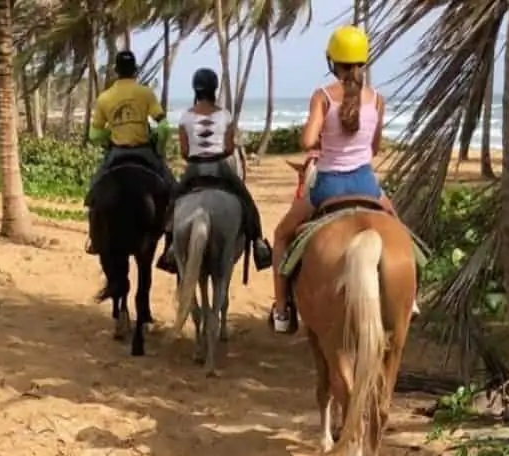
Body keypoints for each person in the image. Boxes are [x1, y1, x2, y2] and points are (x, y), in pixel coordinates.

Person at [268, 25, 413, 334]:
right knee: (400, 231)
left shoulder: (322, 96)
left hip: (328, 185)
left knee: (281, 235)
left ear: (332, 61)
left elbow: (308, 140)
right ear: (364, 60)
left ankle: (281, 310)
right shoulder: (376, 100)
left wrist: (320, 141)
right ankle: (410, 299)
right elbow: (373, 148)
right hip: (366, 184)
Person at [156, 68, 272, 275]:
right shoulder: (224, 115)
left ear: (196, 89)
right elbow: (228, 148)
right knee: (246, 199)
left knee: (174, 200)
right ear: (214, 89)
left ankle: (170, 248)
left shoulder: (185, 117)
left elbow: (184, 151)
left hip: (194, 168)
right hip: (220, 166)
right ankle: (258, 243)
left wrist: (196, 153)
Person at [85, 50, 175, 258]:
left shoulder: (105, 97)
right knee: (174, 191)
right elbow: (163, 127)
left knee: (94, 192)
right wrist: (158, 146)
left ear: (116, 71)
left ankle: (94, 238)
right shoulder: (145, 93)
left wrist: (109, 136)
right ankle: (171, 243)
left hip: (117, 153)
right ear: (135, 70)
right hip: (144, 151)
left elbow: (94, 134)